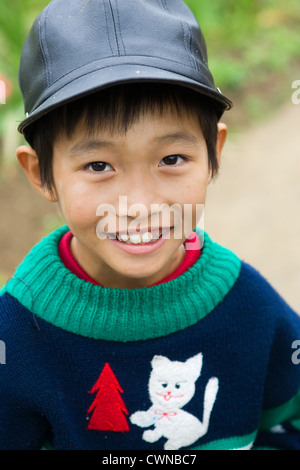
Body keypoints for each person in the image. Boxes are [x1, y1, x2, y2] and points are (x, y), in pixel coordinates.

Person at [0, 0, 299, 451]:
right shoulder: (16, 333)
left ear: (213, 152)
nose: (138, 205)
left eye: (172, 159)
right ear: (41, 173)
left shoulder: (249, 307)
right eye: (99, 165)